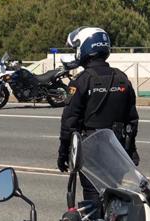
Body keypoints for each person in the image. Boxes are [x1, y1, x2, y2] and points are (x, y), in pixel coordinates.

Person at [57, 27, 139, 212]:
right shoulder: (121, 78)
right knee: (115, 195)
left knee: (94, 199)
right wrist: (131, 152)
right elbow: (132, 121)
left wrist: (63, 154)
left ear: (85, 48)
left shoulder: (81, 81)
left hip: (91, 151)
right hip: (117, 150)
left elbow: (69, 123)